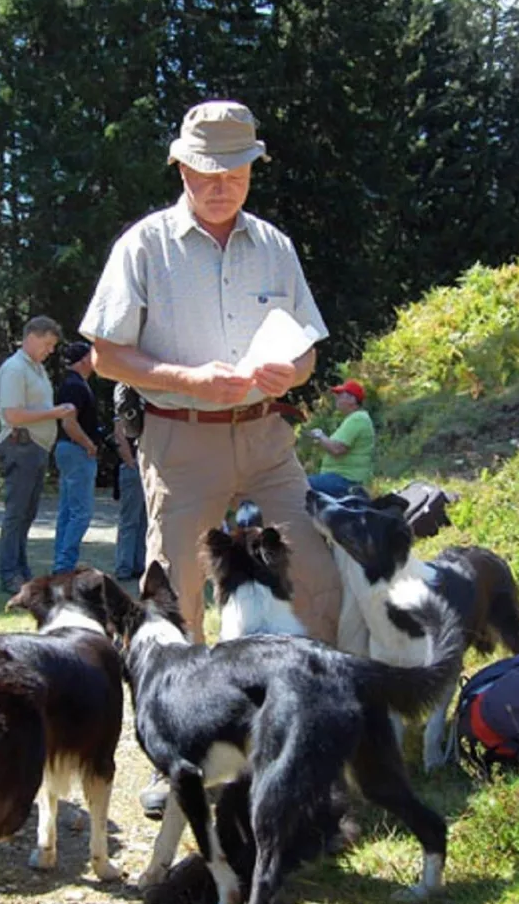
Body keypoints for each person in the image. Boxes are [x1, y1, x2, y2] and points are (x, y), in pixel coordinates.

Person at [79, 98, 343, 648]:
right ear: (182, 167)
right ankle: (192, 725)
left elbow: (308, 352)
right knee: (177, 595)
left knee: (316, 575)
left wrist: (290, 375)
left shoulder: (276, 247)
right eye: (208, 173)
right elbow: (105, 356)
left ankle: (307, 710)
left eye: (237, 173)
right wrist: (188, 380)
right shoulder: (143, 247)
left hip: (267, 439)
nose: (223, 185)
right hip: (180, 441)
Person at [0, 316, 75, 595]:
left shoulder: (36, 369)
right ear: (32, 336)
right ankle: (9, 575)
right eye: (47, 344)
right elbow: (13, 414)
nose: (50, 350)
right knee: (16, 514)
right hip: (21, 446)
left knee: (27, 514)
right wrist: (54, 413)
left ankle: (21, 569)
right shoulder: (15, 369)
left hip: (35, 448)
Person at [51, 341, 102, 574]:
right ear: (83, 360)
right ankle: (64, 565)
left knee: (68, 510)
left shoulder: (74, 384)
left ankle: (62, 563)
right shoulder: (75, 386)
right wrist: (89, 444)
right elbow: (69, 422)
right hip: (76, 450)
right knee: (81, 512)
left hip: (68, 449)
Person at [306, 379, 375, 498]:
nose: (336, 398)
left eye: (340, 395)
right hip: (344, 479)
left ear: (352, 400)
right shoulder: (355, 419)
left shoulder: (357, 419)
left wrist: (320, 436)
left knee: (300, 485)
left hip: (345, 481)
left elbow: (337, 449)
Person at [112, 383, 147, 582]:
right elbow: (119, 432)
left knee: (144, 519)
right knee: (129, 520)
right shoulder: (125, 392)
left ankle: (139, 565)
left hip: (147, 465)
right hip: (133, 466)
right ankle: (124, 567)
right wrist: (130, 461)